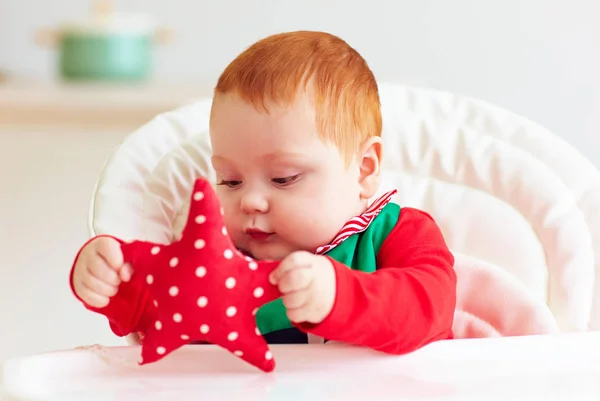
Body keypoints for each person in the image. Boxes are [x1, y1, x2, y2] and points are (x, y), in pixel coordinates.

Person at [70, 30, 457, 354]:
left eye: (284, 178)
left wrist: (338, 295)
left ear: (364, 169)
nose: (250, 201)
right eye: (230, 181)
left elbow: (430, 305)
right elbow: (160, 314)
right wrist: (116, 285)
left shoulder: (396, 232)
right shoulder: (211, 260)